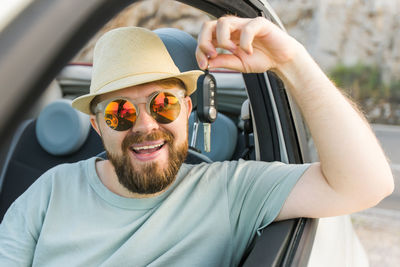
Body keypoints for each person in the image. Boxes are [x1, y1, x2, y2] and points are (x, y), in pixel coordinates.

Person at [0, 16, 394, 266]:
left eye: (164, 104)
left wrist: (291, 61)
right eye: (120, 112)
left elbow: (367, 184)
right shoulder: (49, 192)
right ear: (97, 124)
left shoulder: (229, 191)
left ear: (187, 110)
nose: (145, 125)